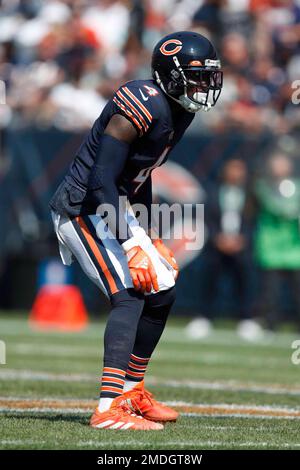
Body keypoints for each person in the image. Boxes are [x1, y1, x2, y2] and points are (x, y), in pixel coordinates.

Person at [50, 31, 223, 430]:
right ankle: (109, 408)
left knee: (161, 289)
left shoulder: (181, 110)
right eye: (196, 76)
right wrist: (130, 243)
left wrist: (148, 233)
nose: (205, 86)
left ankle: (132, 390)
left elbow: (140, 176)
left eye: (209, 76)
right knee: (129, 292)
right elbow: (99, 180)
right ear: (171, 76)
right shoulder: (140, 104)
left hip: (110, 205)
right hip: (82, 208)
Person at [186, 159, 263, 341]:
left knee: (244, 281)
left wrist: (242, 239)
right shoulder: (212, 192)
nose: (235, 174)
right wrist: (217, 238)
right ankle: (203, 318)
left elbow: (254, 222)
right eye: (232, 169)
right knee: (209, 281)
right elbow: (206, 219)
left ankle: (246, 319)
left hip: (241, 246)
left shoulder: (251, 195)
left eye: (239, 170)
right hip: (216, 245)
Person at [254, 153, 300, 331]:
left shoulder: (296, 186)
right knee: (270, 293)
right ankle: (269, 325)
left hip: (294, 249)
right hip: (271, 248)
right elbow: (274, 206)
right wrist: (293, 211)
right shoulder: (263, 186)